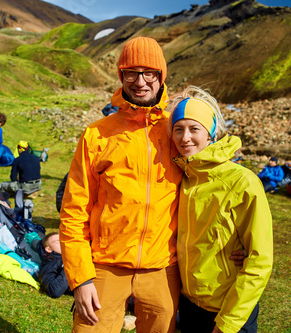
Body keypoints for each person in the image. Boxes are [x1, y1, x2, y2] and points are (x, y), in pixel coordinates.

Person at [59, 37, 246, 333]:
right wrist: (80, 278)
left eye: (150, 73)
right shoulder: (96, 135)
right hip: (105, 265)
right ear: (121, 76)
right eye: (131, 72)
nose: (141, 82)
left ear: (161, 77)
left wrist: (236, 241)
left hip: (164, 268)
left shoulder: (177, 130)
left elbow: (215, 184)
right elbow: (73, 211)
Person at [168, 86, 273, 333]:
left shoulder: (242, 181)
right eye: (178, 129)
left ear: (211, 133)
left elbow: (260, 260)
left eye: (194, 129)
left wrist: (228, 323)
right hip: (190, 305)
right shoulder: (182, 177)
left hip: (228, 309)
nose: (185, 138)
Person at [31, 232, 71, 298]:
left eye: (63, 239)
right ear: (48, 249)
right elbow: (54, 291)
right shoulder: (50, 266)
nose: (63, 242)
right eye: (57, 242)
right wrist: (69, 264)